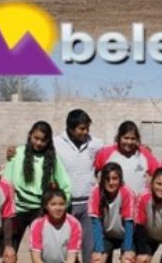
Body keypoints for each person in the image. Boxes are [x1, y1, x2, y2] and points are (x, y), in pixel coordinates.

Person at [4, 121, 72, 251]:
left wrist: (61, 206)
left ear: (49, 141)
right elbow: (6, 183)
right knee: (10, 250)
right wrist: (6, 208)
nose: (39, 143)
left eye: (43, 140)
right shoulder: (17, 153)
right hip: (17, 209)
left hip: (40, 210)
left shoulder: (53, 159)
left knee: (42, 250)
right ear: (30, 135)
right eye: (36, 138)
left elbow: (66, 185)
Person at [53, 109, 104, 263]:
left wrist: (142, 149)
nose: (85, 132)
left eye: (87, 128)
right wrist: (13, 151)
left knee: (89, 248)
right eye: (82, 128)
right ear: (70, 128)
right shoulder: (55, 143)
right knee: (67, 249)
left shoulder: (96, 143)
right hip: (66, 204)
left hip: (88, 204)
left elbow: (112, 153)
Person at [88, 162, 136, 263]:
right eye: (107, 178)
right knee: (97, 260)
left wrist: (127, 249)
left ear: (120, 180)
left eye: (115, 179)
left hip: (125, 235)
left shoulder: (127, 192)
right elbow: (96, 223)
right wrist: (99, 251)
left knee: (127, 260)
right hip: (106, 236)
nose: (111, 182)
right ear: (102, 180)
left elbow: (129, 223)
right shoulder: (96, 191)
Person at [95, 120, 159, 195]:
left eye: (133, 139)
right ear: (119, 137)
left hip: (138, 201)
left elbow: (158, 173)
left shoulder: (144, 153)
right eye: (126, 138)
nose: (129, 142)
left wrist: (149, 188)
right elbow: (96, 171)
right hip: (113, 201)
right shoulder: (106, 153)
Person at [29, 189, 83, 263]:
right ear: (46, 206)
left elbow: (71, 258)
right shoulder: (37, 224)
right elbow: (36, 258)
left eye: (61, 204)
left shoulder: (74, 224)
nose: (58, 208)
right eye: (53, 204)